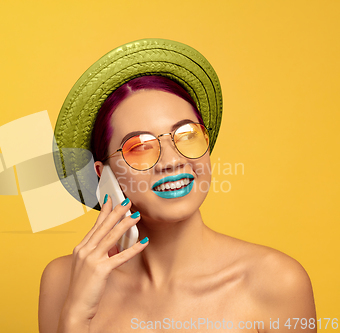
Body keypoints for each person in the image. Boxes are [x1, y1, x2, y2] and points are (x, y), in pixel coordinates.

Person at [39, 39, 316, 333]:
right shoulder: (63, 282)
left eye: (186, 135)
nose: (172, 161)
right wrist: (75, 318)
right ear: (103, 176)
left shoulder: (277, 282)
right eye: (140, 146)